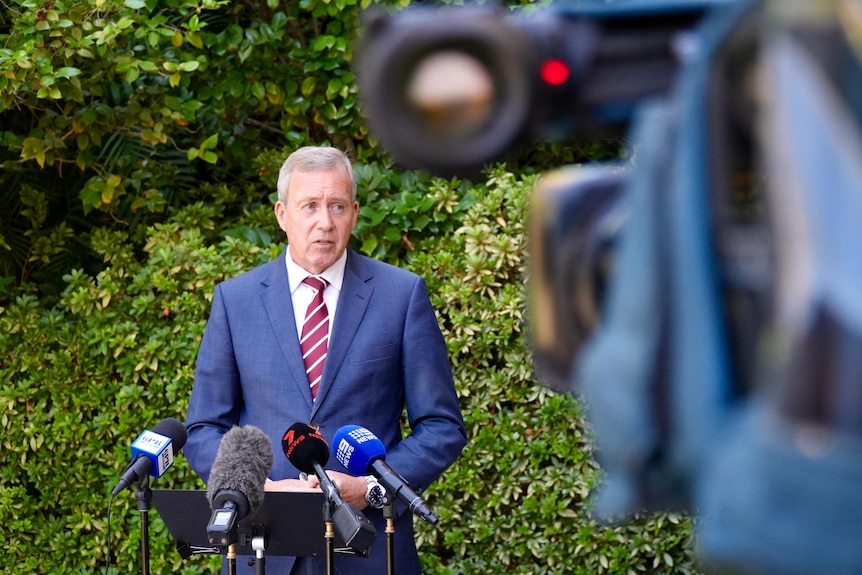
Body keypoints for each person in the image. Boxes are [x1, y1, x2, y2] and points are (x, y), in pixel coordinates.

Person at [184, 145, 467, 575]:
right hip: (263, 548)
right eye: (309, 206)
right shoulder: (235, 301)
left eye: (337, 206)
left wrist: (370, 487)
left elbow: (442, 426)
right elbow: (204, 426)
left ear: (354, 213)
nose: (325, 222)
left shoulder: (401, 296)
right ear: (282, 215)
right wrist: (255, 487)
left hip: (371, 548)